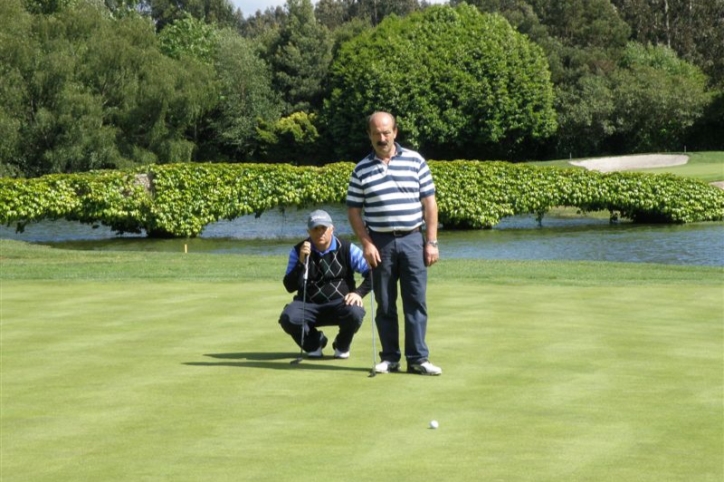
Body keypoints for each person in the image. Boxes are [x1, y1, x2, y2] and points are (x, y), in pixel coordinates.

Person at [346, 111, 442, 375]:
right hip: (380, 242)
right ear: (369, 135)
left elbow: (429, 203)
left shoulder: (415, 161)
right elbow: (354, 210)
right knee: (385, 304)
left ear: (395, 132)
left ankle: (418, 359)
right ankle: (390, 358)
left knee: (415, 301)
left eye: (386, 132)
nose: (382, 137)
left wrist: (431, 242)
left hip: (413, 238)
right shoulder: (361, 168)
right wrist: (366, 242)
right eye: (376, 133)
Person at [279, 209, 371, 359]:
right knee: (288, 318)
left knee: (355, 312)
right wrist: (301, 262)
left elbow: (372, 273)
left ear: (332, 229)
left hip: (340, 304)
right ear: (308, 230)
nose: (320, 232)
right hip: (309, 305)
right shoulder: (298, 251)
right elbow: (289, 286)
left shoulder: (347, 248)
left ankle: (342, 345)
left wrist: (358, 293)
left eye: (324, 228)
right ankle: (314, 343)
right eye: (315, 228)